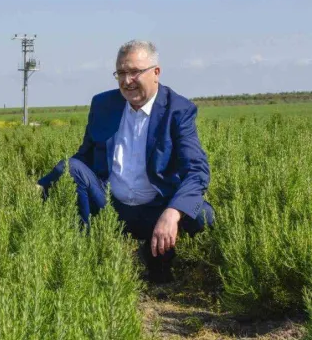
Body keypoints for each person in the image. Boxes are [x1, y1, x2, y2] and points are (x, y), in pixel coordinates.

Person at [37, 40, 214, 283]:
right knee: (69, 169)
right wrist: (41, 186)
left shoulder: (178, 110)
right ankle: (89, 262)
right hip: (110, 206)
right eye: (120, 73)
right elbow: (83, 158)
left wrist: (173, 213)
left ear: (156, 73)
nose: (126, 80)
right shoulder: (103, 105)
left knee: (202, 215)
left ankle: (169, 263)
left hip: (156, 210)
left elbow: (197, 171)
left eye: (134, 72)